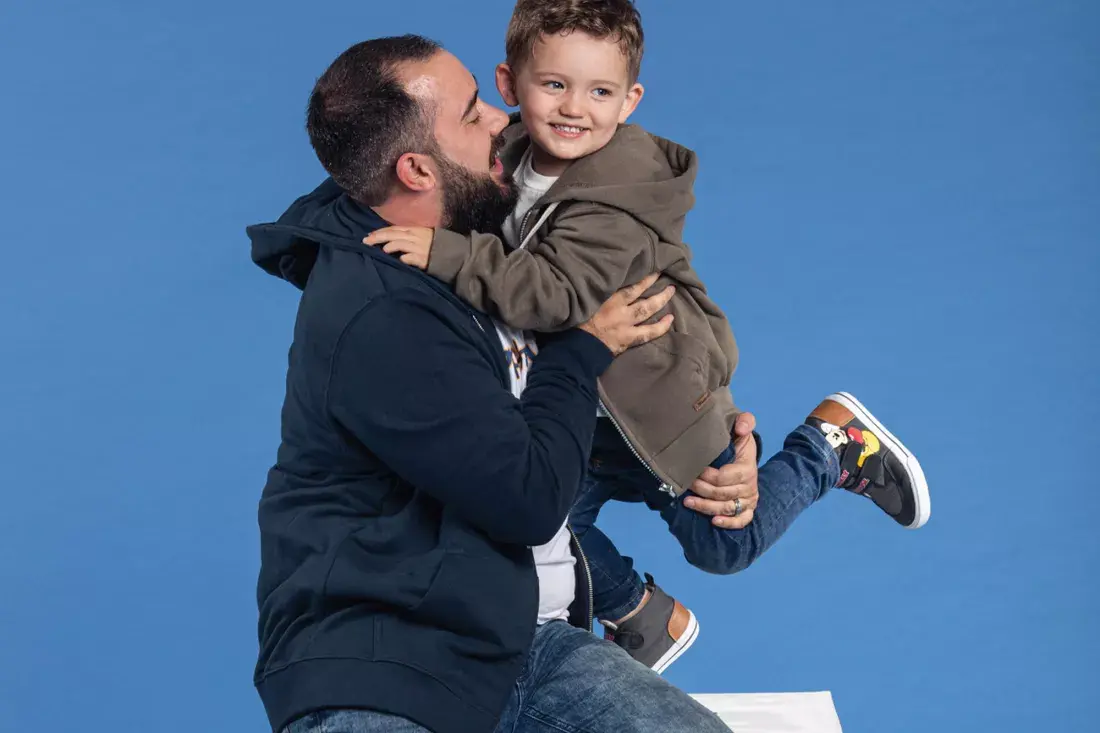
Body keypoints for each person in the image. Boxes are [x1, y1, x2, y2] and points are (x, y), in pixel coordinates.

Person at [364, 0, 932, 673]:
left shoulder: (619, 195)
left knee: (725, 543)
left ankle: (829, 446)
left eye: (600, 92)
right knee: (533, 525)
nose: (575, 108)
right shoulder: (505, 155)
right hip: (586, 409)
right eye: (555, 84)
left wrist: (449, 254)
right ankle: (643, 616)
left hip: (662, 404)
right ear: (509, 84)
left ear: (630, 101)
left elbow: (557, 294)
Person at [247, 34, 758, 733]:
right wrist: (582, 348)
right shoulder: (380, 311)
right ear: (416, 170)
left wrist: (720, 453)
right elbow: (529, 498)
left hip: (526, 645)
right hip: (386, 669)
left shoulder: (491, 236)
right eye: (471, 113)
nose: (501, 116)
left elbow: (656, 346)